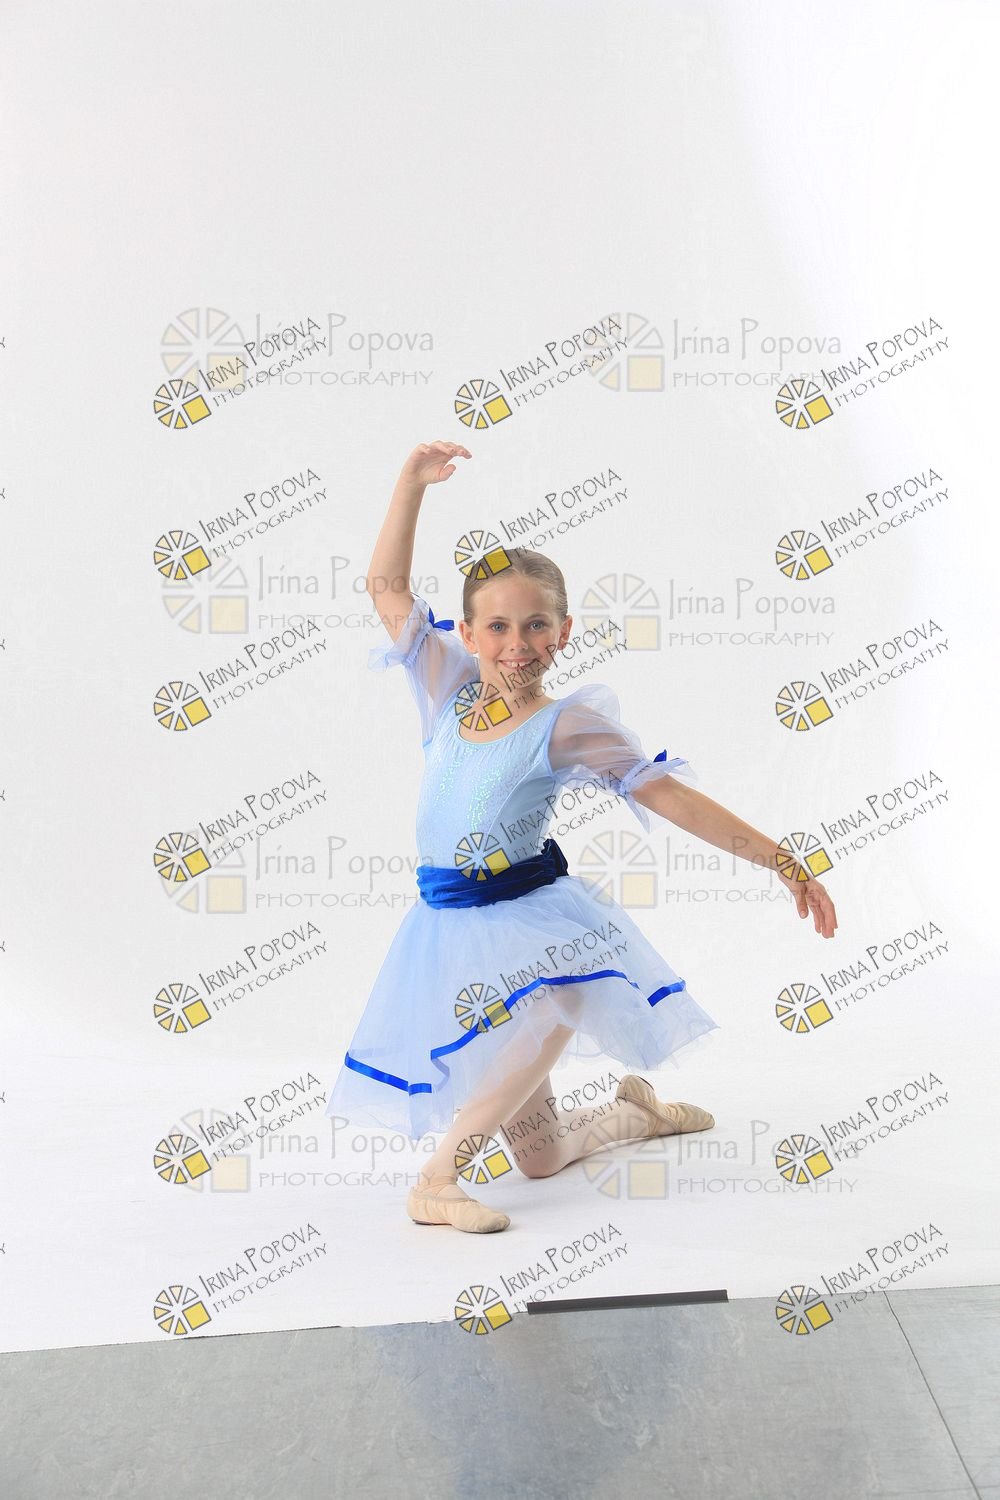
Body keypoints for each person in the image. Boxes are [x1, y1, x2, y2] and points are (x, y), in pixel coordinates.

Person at [324, 441, 838, 1234]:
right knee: (541, 1155)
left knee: (562, 994)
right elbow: (386, 587)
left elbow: (671, 799)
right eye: (498, 626)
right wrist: (410, 484)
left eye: (536, 625)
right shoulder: (446, 687)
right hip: (447, 925)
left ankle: (437, 1178)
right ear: (467, 631)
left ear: (563, 632)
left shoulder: (566, 726)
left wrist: (780, 859)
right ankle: (636, 1112)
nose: (517, 644)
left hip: (527, 917)